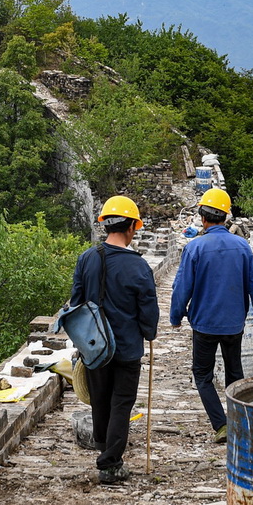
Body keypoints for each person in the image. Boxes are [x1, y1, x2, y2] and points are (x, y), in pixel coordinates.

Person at [170, 187, 253, 442]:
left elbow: (182, 287)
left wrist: (176, 316)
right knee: (234, 373)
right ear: (225, 217)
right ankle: (239, 422)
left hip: (203, 324)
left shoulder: (194, 248)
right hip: (233, 324)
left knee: (202, 375)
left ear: (202, 217)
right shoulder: (242, 246)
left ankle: (221, 425)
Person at [70, 195, 159, 484]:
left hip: (95, 347)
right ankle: (110, 462)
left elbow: (76, 303)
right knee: (122, 402)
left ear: (106, 225)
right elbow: (148, 312)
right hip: (127, 348)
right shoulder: (139, 267)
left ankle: (103, 442)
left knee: (100, 400)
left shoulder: (87, 258)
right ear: (132, 226)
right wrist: (149, 332)